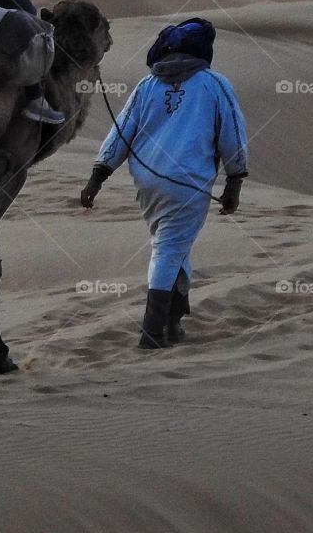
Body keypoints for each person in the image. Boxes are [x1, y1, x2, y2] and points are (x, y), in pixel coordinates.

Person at [79, 18, 247, 348]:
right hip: (188, 182)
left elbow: (121, 132)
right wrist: (235, 180)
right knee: (169, 247)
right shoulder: (214, 84)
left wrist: (98, 175)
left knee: (173, 241)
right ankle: (152, 332)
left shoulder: (146, 86)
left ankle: (173, 321)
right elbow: (233, 135)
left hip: (147, 183)